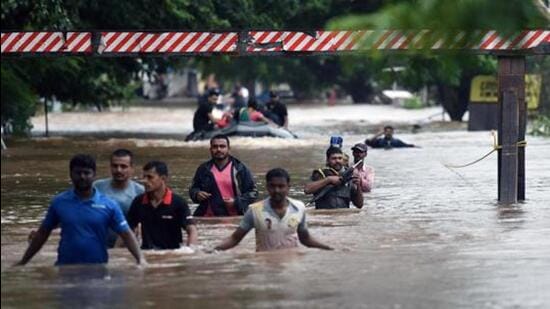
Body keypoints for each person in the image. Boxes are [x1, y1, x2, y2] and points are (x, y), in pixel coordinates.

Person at [15, 154, 143, 266]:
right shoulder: (59, 202)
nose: (82, 177)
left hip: (98, 267)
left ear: (94, 175)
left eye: (87, 173)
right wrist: (23, 261)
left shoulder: (109, 205)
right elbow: (44, 232)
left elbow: (126, 234)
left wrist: (141, 260)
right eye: (78, 173)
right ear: (71, 174)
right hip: (64, 267)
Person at [215, 168, 332, 252]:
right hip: (265, 267)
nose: (277, 190)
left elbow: (305, 238)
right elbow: (235, 238)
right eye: (273, 186)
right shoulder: (255, 210)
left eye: (281, 186)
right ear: (267, 187)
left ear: (288, 187)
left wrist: (329, 248)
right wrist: (211, 251)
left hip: (292, 264)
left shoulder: (299, 208)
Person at [127, 161, 198, 250]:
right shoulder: (138, 202)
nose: (144, 181)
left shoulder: (178, 203)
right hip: (147, 253)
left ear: (163, 179)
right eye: (144, 177)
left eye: (150, 177)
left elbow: (192, 230)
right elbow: (127, 230)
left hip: (172, 254)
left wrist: (190, 250)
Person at [189, 134, 258, 216]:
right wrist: (197, 194)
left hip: (235, 217)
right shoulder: (203, 169)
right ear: (210, 149)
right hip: (207, 217)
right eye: (215, 147)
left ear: (229, 149)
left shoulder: (240, 168)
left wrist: (236, 202)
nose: (218, 149)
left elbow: (253, 193)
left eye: (222, 146)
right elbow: (193, 188)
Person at [94, 149, 145, 248]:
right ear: (110, 167)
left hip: (125, 248)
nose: (118, 170)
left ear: (131, 168)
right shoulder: (97, 187)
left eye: (123, 166)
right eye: (115, 166)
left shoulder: (140, 191)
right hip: (98, 244)